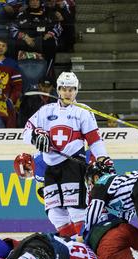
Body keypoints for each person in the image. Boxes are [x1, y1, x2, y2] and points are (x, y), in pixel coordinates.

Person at [22, 71, 112, 238]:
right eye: (64, 89)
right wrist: (36, 135)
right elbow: (26, 132)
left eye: (72, 89)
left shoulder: (83, 111)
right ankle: (71, 250)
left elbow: (94, 139)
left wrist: (103, 159)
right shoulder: (45, 111)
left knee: (76, 210)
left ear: (76, 90)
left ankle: (87, 248)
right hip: (51, 167)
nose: (68, 93)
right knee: (55, 213)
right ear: (58, 90)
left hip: (73, 166)